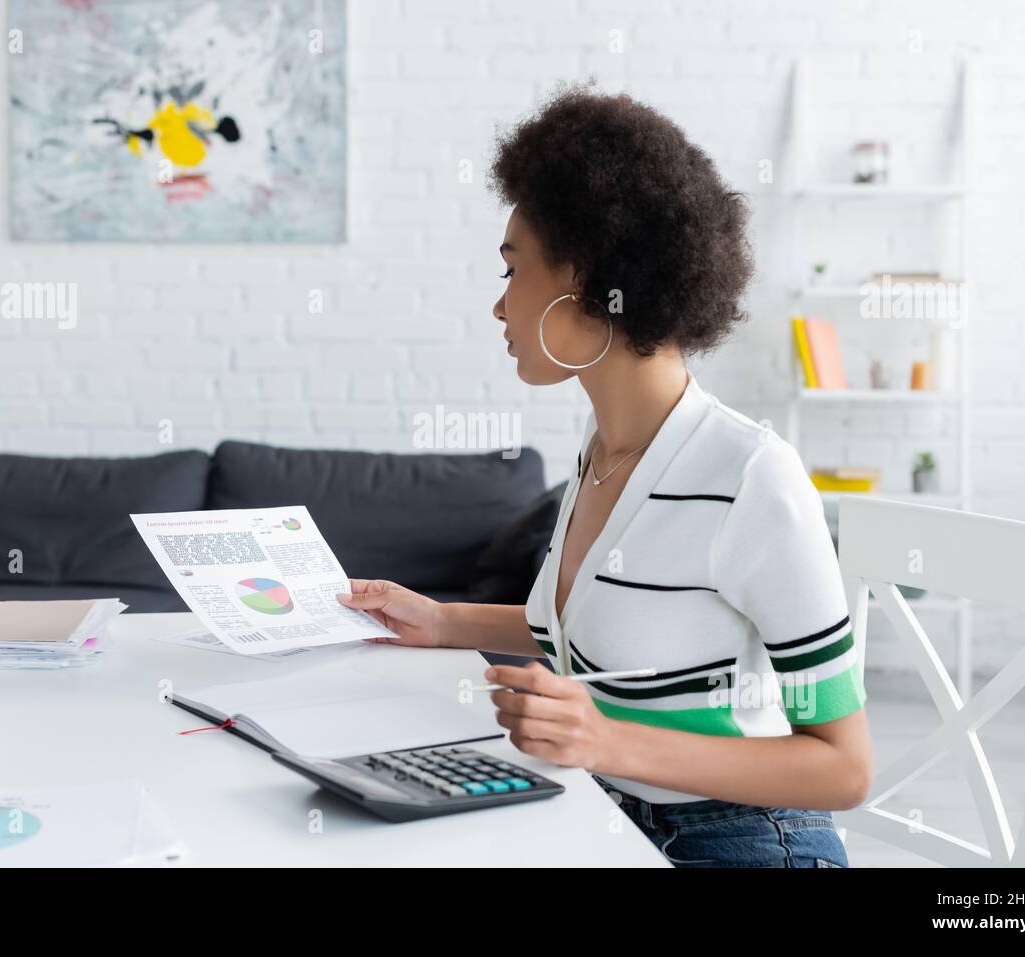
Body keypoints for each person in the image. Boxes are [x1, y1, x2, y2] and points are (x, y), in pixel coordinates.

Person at [339, 83, 871, 868]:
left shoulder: (751, 477)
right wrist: (445, 621)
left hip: (742, 841)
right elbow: (608, 638)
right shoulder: (607, 449)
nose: (499, 309)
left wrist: (610, 739)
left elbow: (843, 765)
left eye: (511, 271)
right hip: (609, 816)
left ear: (585, 283)